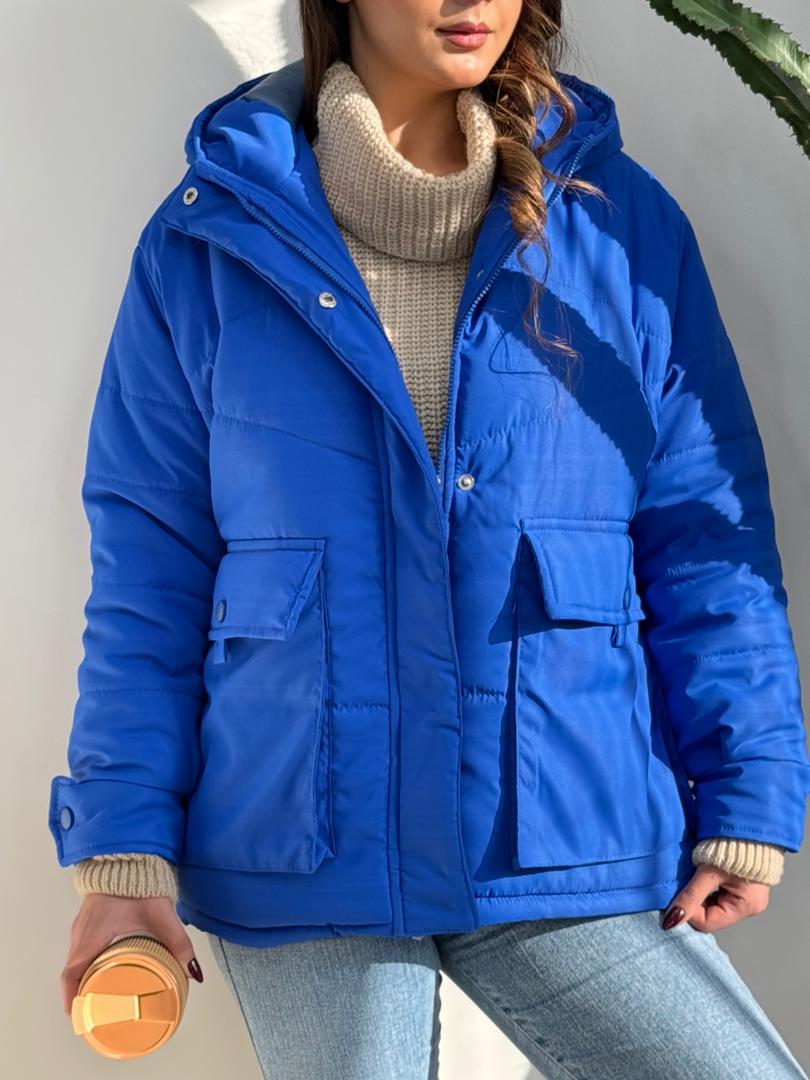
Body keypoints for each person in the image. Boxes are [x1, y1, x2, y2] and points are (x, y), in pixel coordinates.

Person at [51, 1, 810, 1076]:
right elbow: (149, 569)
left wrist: (749, 791)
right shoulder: (205, 244)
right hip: (301, 838)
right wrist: (121, 851)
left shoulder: (621, 228)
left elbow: (706, 533)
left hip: (566, 828)